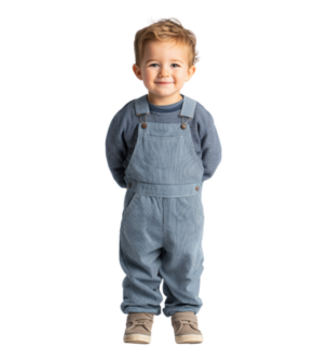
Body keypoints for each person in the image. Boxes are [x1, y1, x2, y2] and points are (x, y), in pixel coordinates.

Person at [109, 15, 222, 346]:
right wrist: (131, 185)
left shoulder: (198, 114)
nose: (164, 73)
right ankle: (140, 313)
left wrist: (192, 184)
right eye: (154, 64)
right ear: (137, 71)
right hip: (141, 202)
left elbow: (212, 158)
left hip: (187, 203)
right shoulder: (129, 114)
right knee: (137, 257)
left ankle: (185, 313)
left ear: (190, 72)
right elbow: (115, 155)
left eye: (174, 64)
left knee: (187, 258)